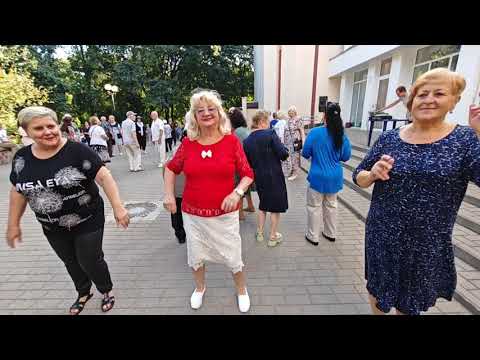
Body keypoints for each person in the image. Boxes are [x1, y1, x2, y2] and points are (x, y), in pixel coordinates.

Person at [353, 68, 480, 315]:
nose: (429, 99)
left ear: (454, 101)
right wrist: (372, 174)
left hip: (426, 242)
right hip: (382, 235)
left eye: (439, 93)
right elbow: (359, 176)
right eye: (422, 94)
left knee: (410, 303)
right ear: (411, 102)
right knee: (377, 292)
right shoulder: (389, 138)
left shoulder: (465, 140)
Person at [6, 106, 130, 315]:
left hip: (87, 217)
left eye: (50, 125)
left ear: (58, 126)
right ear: (26, 132)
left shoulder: (76, 150)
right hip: (51, 225)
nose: (47, 131)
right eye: (39, 128)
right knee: (70, 260)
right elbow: (18, 191)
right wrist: (13, 224)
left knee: (89, 258)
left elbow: (104, 177)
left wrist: (118, 208)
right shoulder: (22, 158)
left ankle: (105, 289)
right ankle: (83, 292)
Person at [163, 90, 254, 313]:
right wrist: (168, 194)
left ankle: (241, 290)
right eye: (200, 110)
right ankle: (200, 288)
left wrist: (237, 193)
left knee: (233, 255)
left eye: (210, 109)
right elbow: (171, 168)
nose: (206, 113)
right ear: (194, 116)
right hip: (193, 214)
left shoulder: (231, 141)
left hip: (225, 214)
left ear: (218, 112)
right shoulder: (188, 143)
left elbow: (247, 173)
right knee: (196, 255)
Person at [302, 102, 351, 245]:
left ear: (325, 116)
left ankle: (313, 236)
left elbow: (305, 153)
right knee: (331, 205)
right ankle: (330, 233)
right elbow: (346, 157)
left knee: (314, 207)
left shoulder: (315, 132)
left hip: (317, 177)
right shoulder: (342, 135)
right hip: (334, 177)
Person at [243, 111, 289, 247]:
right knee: (275, 208)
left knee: (263, 204)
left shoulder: (247, 141)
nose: (269, 124)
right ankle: (273, 236)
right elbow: (283, 154)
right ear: (262, 122)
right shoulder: (270, 134)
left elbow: (248, 163)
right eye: (268, 121)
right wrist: (285, 150)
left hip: (259, 178)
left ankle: (260, 233)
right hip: (274, 176)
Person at [228, 107, 256, 221]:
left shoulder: (237, 132)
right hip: (248, 161)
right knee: (246, 186)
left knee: (238, 186)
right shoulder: (244, 129)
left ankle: (240, 214)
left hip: (240, 163)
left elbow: (236, 149)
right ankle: (250, 205)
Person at [283, 106, 305, 180]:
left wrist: (303, 141)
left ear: (294, 112)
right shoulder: (288, 120)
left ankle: (295, 173)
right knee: (289, 156)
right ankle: (291, 171)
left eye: (291, 111)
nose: (289, 113)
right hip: (288, 142)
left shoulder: (298, 119)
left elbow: (302, 131)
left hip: (295, 141)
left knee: (295, 157)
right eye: (289, 111)